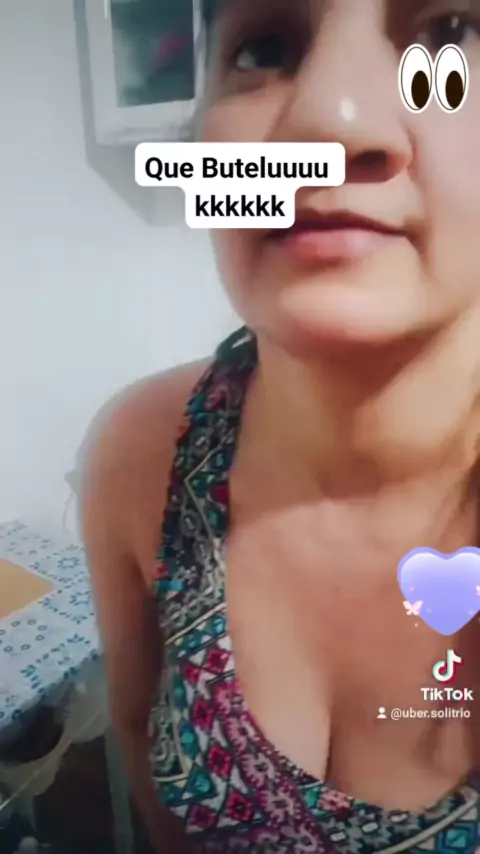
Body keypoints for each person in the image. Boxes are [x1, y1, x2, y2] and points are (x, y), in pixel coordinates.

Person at [80, 0, 480, 851]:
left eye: (450, 36)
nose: (329, 119)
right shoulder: (137, 456)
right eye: (263, 48)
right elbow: (146, 771)